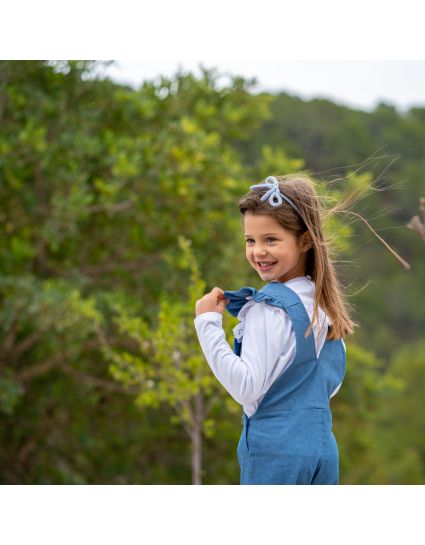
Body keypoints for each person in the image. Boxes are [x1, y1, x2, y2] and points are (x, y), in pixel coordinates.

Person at [193, 173, 409, 485]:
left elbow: (246, 388)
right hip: (322, 449)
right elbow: (327, 384)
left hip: (274, 452)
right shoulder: (324, 306)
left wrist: (208, 324)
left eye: (271, 240)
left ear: (305, 241)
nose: (258, 252)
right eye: (250, 240)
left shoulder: (267, 310)